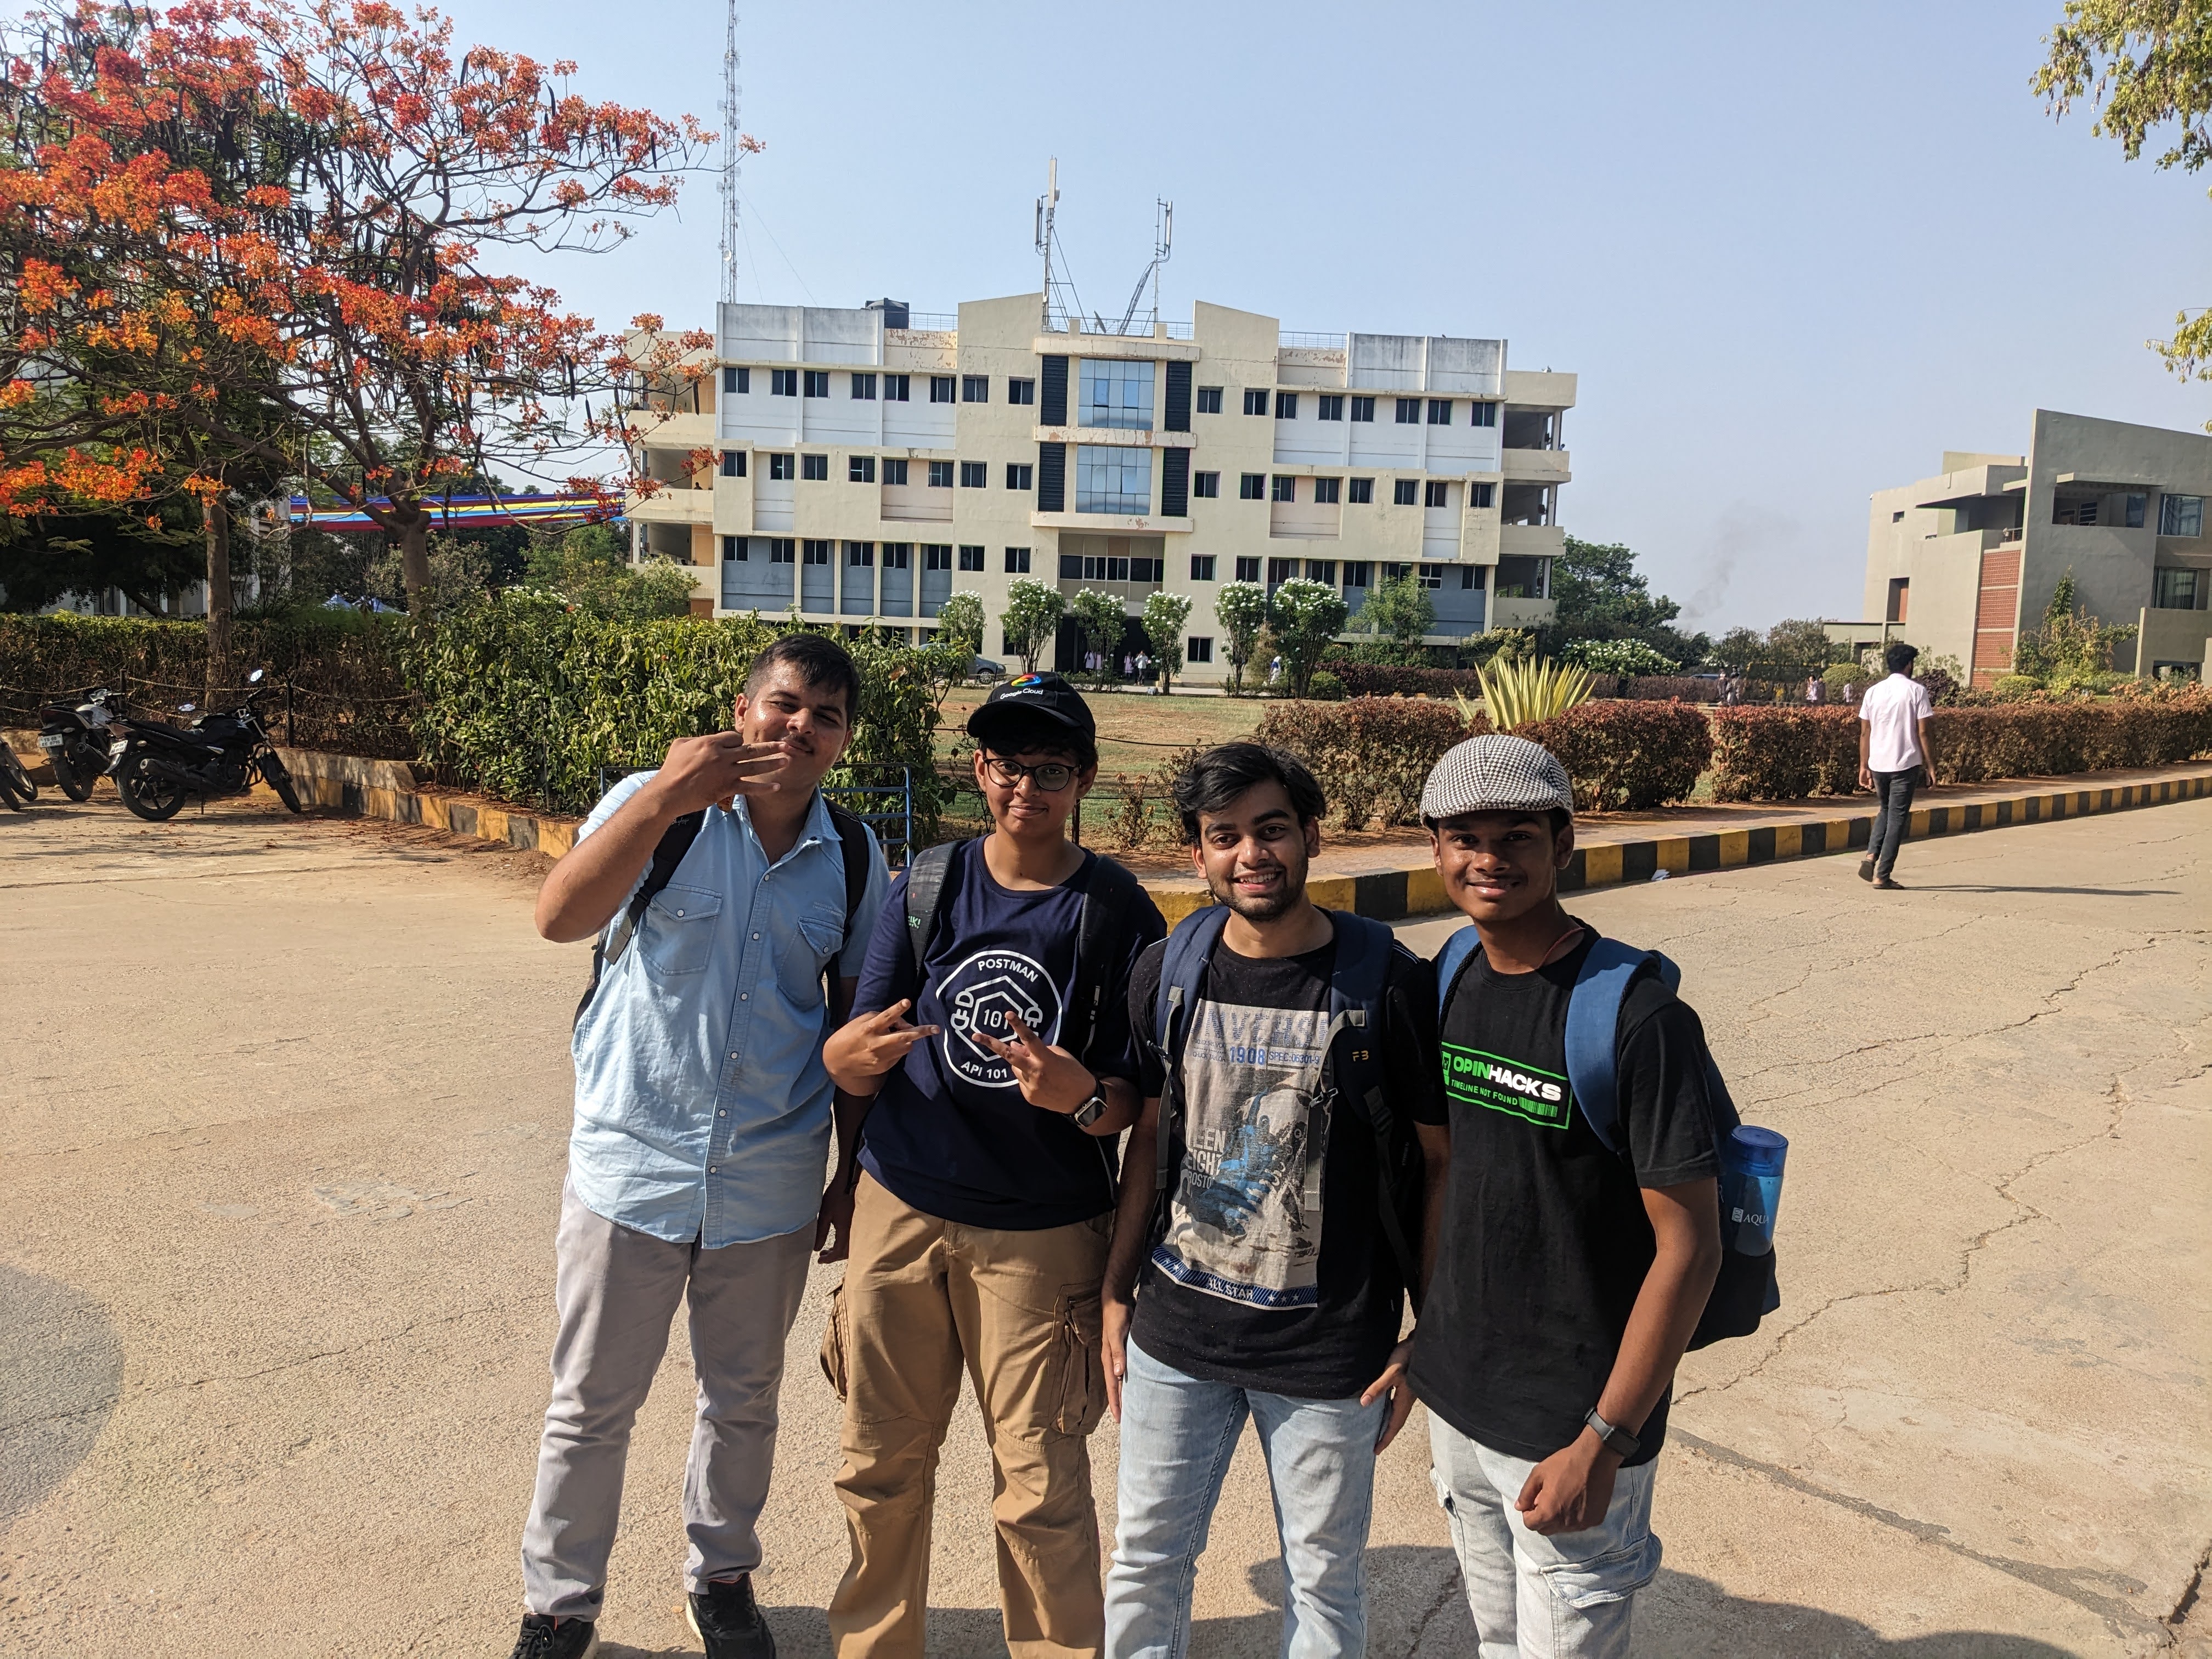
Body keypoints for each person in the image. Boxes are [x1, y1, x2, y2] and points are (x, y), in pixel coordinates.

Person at [513, 633, 890, 1659]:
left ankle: (721, 1576)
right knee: (590, 1404)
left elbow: (855, 1028)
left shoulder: (855, 859)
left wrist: (848, 1175)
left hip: (770, 1178)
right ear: (742, 709)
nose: (800, 727)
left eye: (825, 716)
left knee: (744, 1401)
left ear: (842, 741)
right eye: (785, 703)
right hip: (631, 1166)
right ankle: (559, 1604)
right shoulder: (660, 806)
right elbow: (559, 918)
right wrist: (662, 797)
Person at [821, 671, 1165, 1659]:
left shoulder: (1117, 911)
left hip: (1043, 1235)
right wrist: (842, 1072)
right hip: (901, 1205)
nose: (1026, 786)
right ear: (979, 770)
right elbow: (860, 1046)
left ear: (1084, 779)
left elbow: (1139, 1102)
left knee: (1040, 1486)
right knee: (879, 1465)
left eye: (1051, 768)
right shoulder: (927, 885)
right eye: (1009, 764)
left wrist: (1082, 1097)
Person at [1099, 743, 1443, 1659]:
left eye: (1271, 829)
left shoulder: (1389, 985)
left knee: (1323, 1579)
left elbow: (1439, 1162)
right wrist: (1116, 1289)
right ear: (1198, 854)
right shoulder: (1168, 971)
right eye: (1224, 836)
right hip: (1177, 1332)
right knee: (1144, 1560)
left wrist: (1430, 1325)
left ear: (1312, 836)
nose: (1250, 854)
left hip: (1330, 1350)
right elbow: (1150, 1137)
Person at [1411, 734, 1724, 1659]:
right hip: (1460, 1401)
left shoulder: (1636, 1016)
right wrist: (1423, 1341)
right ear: (1436, 848)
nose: (1488, 858)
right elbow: (1448, 1176)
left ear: (1562, 844)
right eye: (1465, 837)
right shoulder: (1449, 976)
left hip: (1572, 1416)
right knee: (1496, 1640)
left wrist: (1605, 1438)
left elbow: (1690, 1247)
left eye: (1516, 836)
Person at [1857, 641, 1936, 891]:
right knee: (1897, 818)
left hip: (1878, 763)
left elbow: (1865, 732)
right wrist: (1931, 766)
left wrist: (1863, 766)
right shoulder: (1917, 691)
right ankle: (1883, 875)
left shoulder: (1873, 692)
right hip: (1905, 763)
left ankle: (1871, 855)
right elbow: (1923, 732)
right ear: (1909, 665)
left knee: (1885, 810)